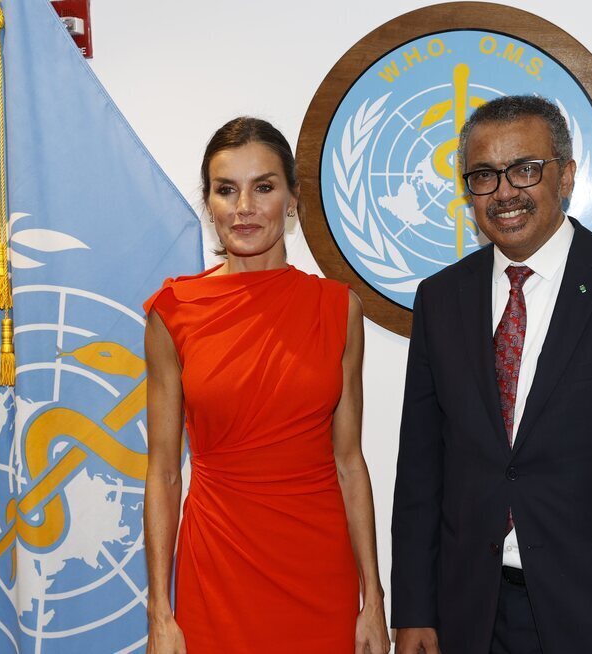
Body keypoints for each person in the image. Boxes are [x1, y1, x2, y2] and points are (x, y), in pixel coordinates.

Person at [391, 96, 592, 654]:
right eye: (483, 175)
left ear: (565, 175)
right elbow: (422, 473)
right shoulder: (440, 299)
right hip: (473, 615)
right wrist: (414, 611)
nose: (504, 192)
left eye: (525, 169)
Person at [143, 117, 390, 654]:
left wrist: (374, 600)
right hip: (218, 572)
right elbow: (162, 471)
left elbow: (349, 462)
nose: (244, 208)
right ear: (208, 203)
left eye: (264, 187)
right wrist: (160, 613)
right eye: (225, 190)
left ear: (293, 200)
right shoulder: (174, 313)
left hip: (319, 573)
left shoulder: (337, 308)